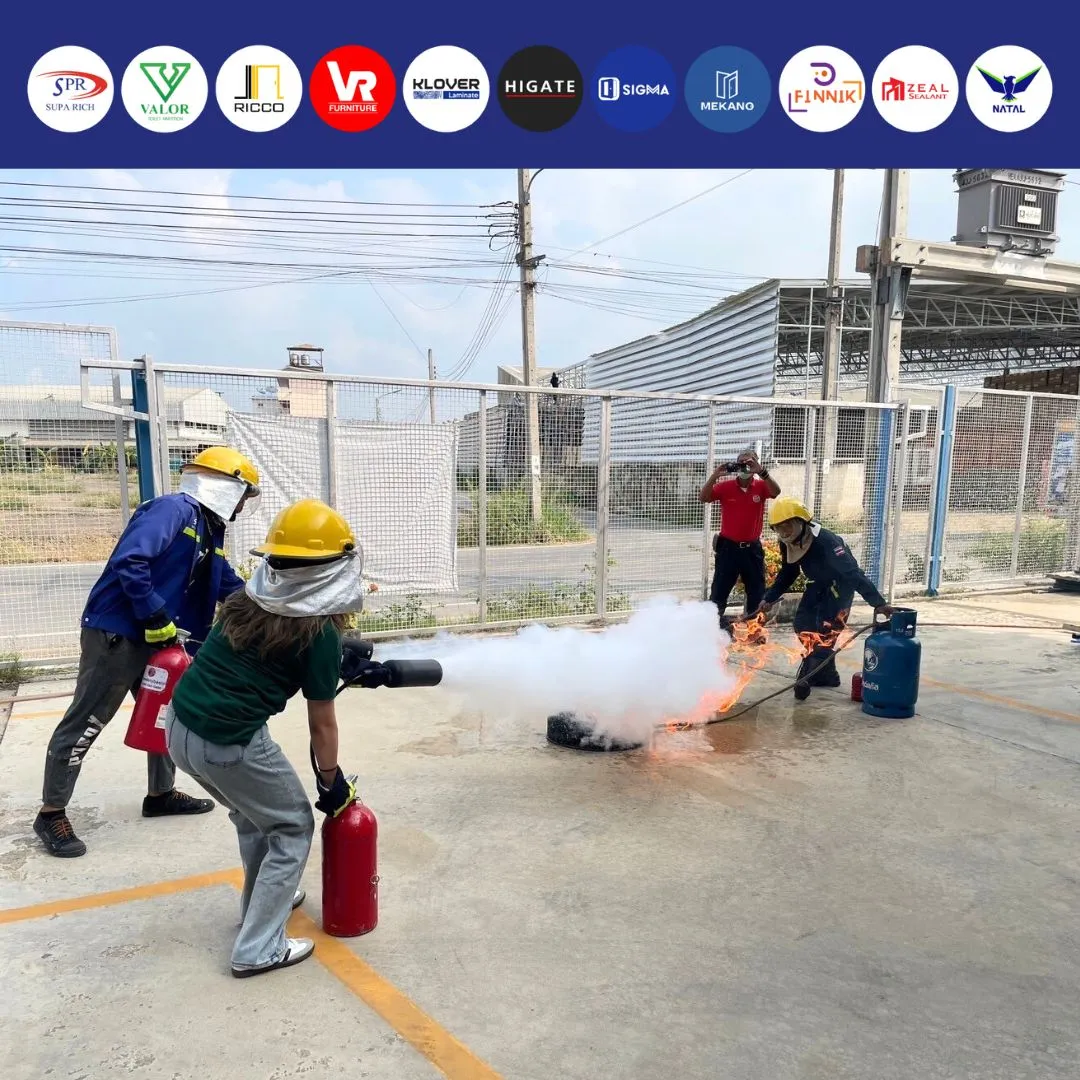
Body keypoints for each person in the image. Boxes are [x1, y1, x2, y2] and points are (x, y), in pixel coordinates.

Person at [164, 499, 368, 978]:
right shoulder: (319, 633)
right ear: (334, 569)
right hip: (229, 743)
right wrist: (330, 781)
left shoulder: (246, 601)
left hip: (179, 728)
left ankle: (263, 901)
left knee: (255, 818)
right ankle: (258, 949)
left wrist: (334, 659)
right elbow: (322, 724)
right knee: (292, 827)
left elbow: (262, 656)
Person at [34, 446, 261, 858]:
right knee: (87, 720)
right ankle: (51, 813)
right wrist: (155, 615)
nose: (244, 506)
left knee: (166, 714)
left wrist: (271, 609)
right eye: (244, 495)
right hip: (118, 633)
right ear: (225, 486)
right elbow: (131, 560)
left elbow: (226, 584)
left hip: (160, 640)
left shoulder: (209, 529)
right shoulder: (173, 510)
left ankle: (160, 794)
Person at [754, 496, 895, 700]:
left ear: (801, 522)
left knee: (826, 632)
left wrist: (879, 603)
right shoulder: (787, 542)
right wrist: (769, 597)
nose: (784, 533)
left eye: (788, 526)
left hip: (840, 585)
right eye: (779, 528)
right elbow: (789, 572)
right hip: (817, 583)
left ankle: (807, 675)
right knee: (802, 625)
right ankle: (827, 674)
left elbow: (852, 574)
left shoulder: (826, 541)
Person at [699, 449, 781, 636]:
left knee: (756, 592)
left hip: (752, 549)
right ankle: (717, 632)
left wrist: (762, 472)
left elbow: (776, 492)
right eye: (741, 463)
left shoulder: (761, 486)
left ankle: (755, 632)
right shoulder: (726, 486)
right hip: (729, 548)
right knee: (719, 591)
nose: (745, 467)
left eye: (749, 463)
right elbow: (704, 497)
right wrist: (715, 476)